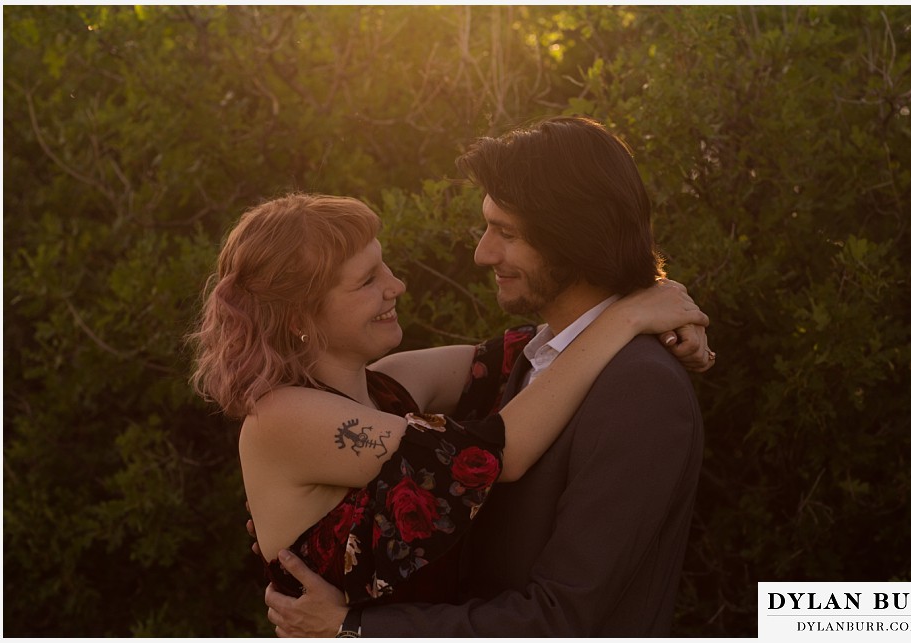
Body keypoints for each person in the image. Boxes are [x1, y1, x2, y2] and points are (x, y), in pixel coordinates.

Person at [263, 116, 713, 636]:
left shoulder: (641, 390)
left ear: (577, 239)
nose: (482, 253)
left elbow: (564, 620)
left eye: (506, 232)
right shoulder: (532, 360)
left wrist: (358, 628)